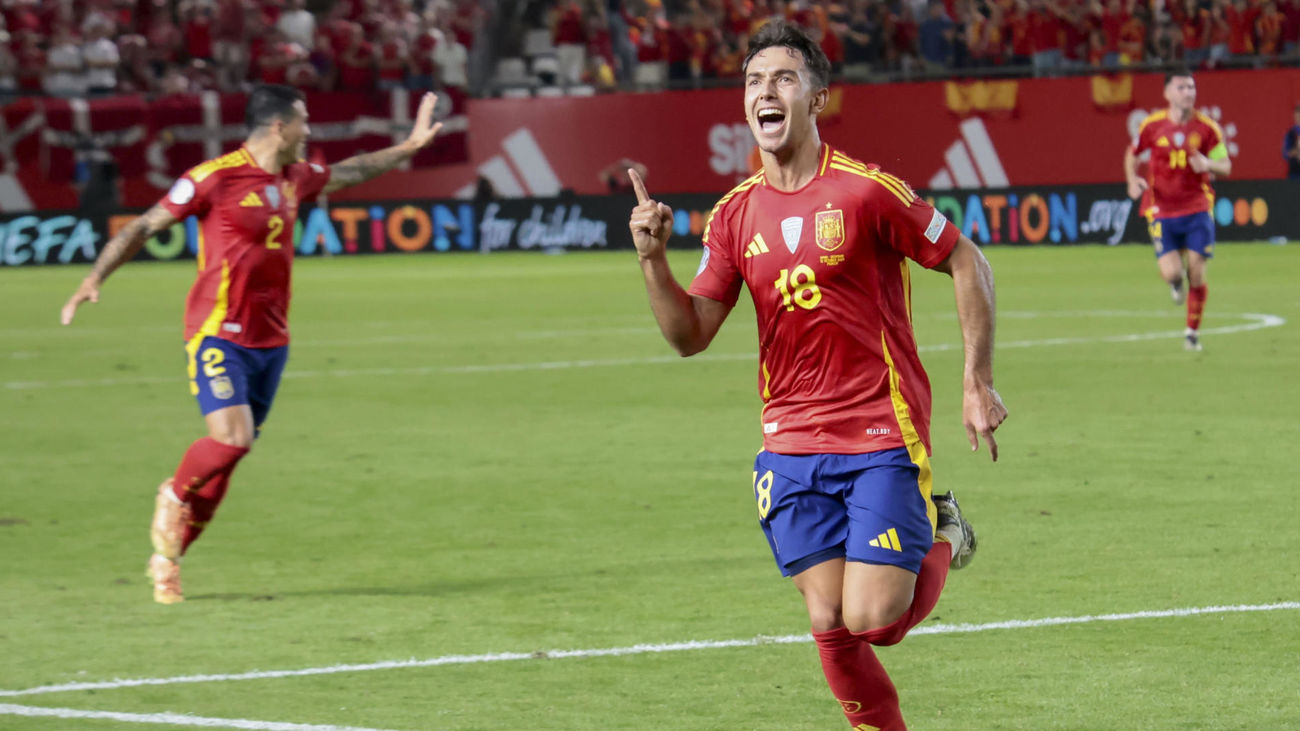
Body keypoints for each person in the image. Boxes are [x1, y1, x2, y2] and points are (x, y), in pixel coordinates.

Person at [626, 20, 1006, 730]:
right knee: (829, 619)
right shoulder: (734, 216)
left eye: (784, 78)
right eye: (753, 82)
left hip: (877, 434)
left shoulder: (866, 193)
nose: (765, 92)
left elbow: (967, 260)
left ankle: (945, 530)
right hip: (790, 445)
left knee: (874, 618)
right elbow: (689, 335)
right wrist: (652, 260)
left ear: (817, 100)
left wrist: (975, 380)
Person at [60, 84, 445, 604]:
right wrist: (94, 278)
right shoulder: (213, 178)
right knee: (231, 440)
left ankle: (167, 560)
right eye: (304, 121)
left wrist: (409, 148)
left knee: (229, 458)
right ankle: (172, 492)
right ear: (279, 127)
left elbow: (353, 171)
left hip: (272, 340)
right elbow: (145, 226)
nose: (310, 130)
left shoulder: (296, 178)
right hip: (218, 332)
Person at [1124, 69, 1231, 352]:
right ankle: (1174, 283)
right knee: (1172, 273)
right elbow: (1132, 154)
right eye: (1182, 87)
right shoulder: (1152, 125)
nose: (1189, 92)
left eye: (1191, 87)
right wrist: (1132, 179)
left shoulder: (1207, 128)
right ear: (1168, 93)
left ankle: (1191, 333)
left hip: (1197, 207)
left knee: (1197, 270)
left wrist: (1208, 165)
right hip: (1161, 208)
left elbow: (1226, 165)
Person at [1282, 102, 1300, 179]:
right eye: (1296, 116)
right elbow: (1285, 154)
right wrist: (1295, 153)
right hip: (1294, 175)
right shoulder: (1290, 133)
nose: (1298, 118)